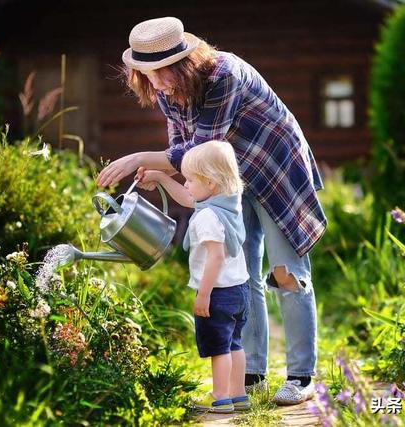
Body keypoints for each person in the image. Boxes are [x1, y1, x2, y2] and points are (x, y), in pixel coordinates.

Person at [97, 16, 327, 405]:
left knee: (287, 272)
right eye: (147, 73)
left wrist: (140, 156)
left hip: (273, 166)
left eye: (163, 71)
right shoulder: (168, 91)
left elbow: (201, 147)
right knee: (241, 272)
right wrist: (162, 173)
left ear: (184, 61)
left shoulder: (225, 75)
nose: (158, 82)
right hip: (228, 178)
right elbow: (184, 155)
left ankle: (302, 376)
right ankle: (251, 373)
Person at [137, 140, 250, 413]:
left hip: (217, 292)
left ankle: (220, 397)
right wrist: (162, 177)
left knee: (218, 348)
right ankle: (239, 394)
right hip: (239, 289)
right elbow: (191, 198)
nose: (186, 184)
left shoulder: (207, 217)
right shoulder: (227, 202)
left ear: (210, 183)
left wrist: (204, 293)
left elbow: (216, 256)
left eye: (189, 179)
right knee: (234, 344)